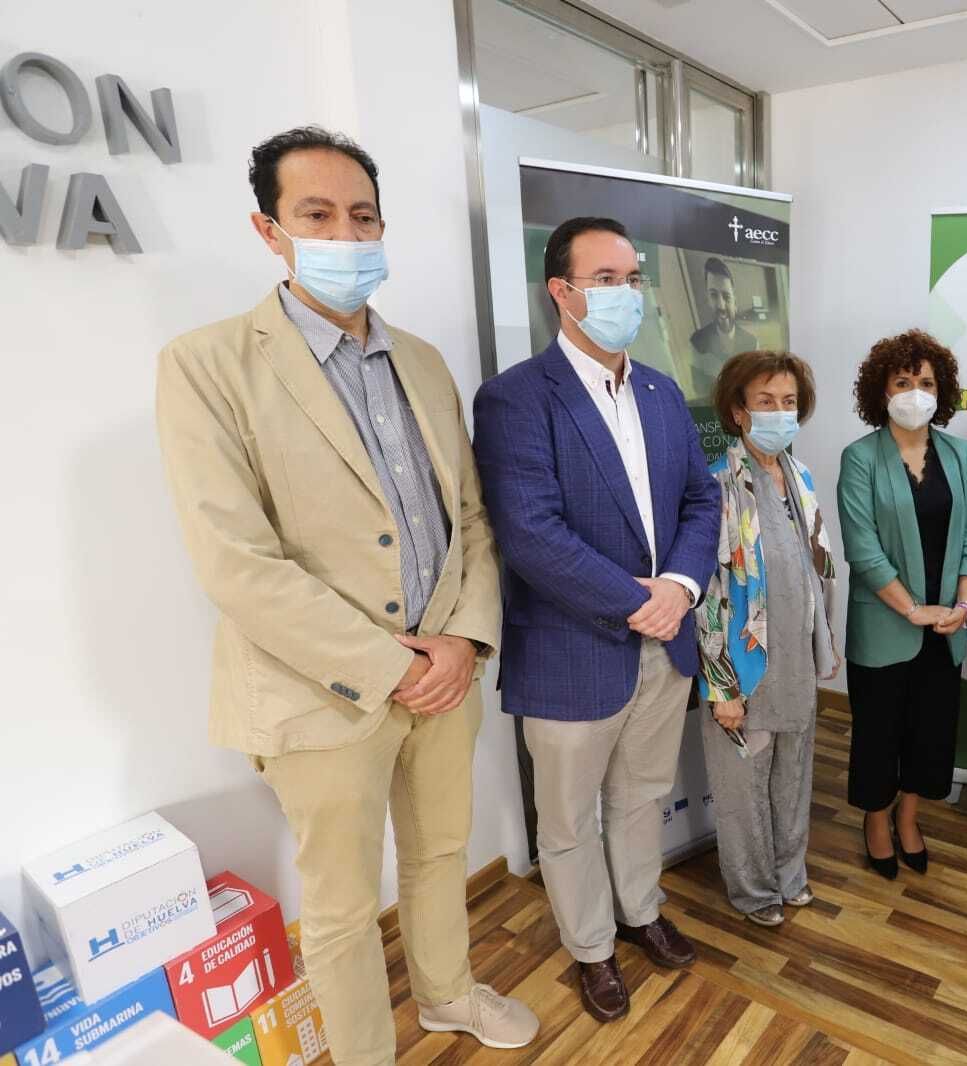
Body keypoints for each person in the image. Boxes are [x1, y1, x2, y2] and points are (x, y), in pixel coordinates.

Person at [155, 127, 538, 1066]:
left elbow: (473, 519)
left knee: (441, 853)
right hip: (317, 693)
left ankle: (448, 994)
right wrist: (387, 664)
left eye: (361, 214)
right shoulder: (206, 364)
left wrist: (464, 642)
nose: (346, 231)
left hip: (445, 672)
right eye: (317, 213)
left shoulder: (421, 361)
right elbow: (235, 560)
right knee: (337, 902)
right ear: (269, 229)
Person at [472, 217, 720, 1023]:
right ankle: (591, 949)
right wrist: (639, 600)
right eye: (607, 279)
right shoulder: (516, 398)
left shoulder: (658, 390)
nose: (627, 295)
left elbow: (700, 498)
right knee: (571, 819)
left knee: (642, 796)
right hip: (573, 651)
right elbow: (532, 534)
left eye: (634, 278)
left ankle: (641, 912)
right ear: (563, 292)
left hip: (662, 641)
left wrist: (680, 585)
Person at [695, 351, 840, 926]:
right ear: (737, 411)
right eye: (765, 402)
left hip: (796, 667)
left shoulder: (800, 477)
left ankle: (790, 874)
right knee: (744, 790)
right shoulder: (716, 487)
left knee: (793, 778)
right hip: (744, 672)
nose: (780, 413)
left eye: (788, 402)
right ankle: (755, 892)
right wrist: (721, 684)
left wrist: (824, 642)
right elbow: (704, 593)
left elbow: (817, 571)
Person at [836, 330, 967, 880]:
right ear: (882, 391)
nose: (915, 392)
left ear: (941, 391)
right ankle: (876, 821)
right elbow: (863, 548)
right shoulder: (860, 458)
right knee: (879, 730)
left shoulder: (959, 453)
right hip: (886, 625)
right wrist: (912, 609)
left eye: (925, 382)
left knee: (931, 729)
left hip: (948, 625)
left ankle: (910, 818)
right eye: (903, 382)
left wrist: (962, 607)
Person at [687, 257, 759, 398]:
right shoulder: (697, 343)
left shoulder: (752, 343)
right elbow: (699, 391)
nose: (720, 305)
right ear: (708, 299)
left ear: (735, 302)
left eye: (726, 296)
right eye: (714, 295)